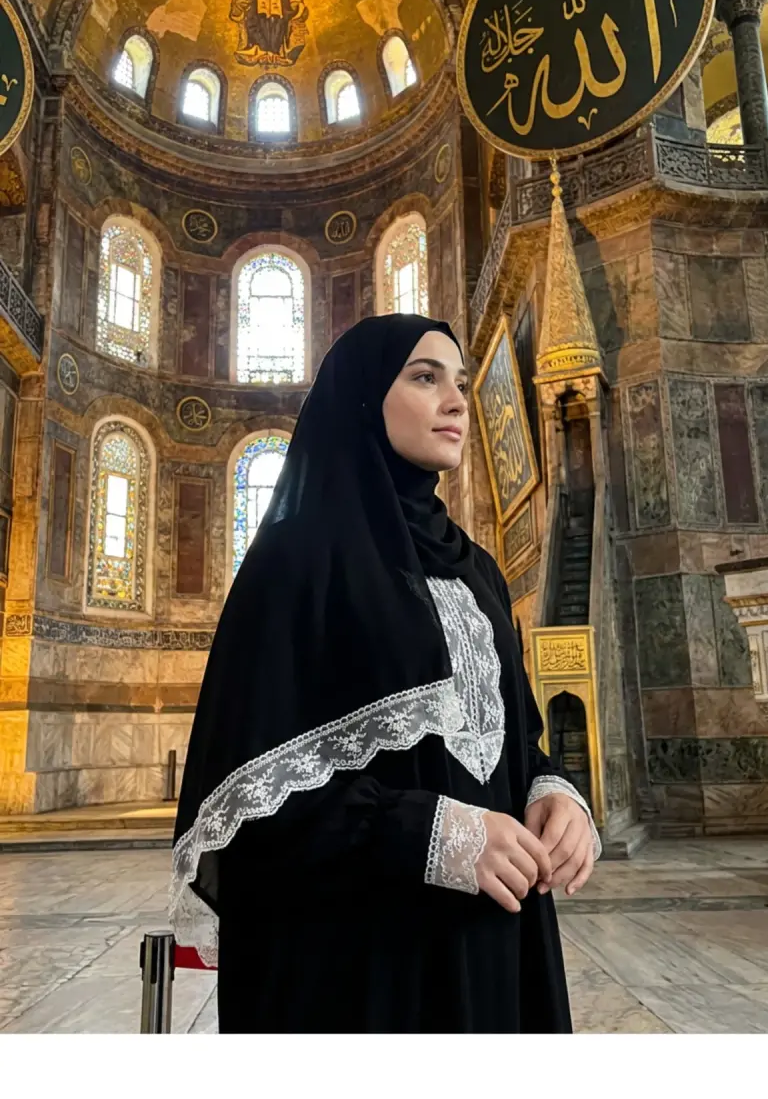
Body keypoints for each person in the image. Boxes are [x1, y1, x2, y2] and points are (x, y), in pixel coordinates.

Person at [169, 313, 601, 1033]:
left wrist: (557, 797)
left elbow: (518, 744)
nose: (456, 401)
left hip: (499, 944)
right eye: (425, 378)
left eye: (460, 381)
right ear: (364, 396)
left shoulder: (479, 571)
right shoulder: (293, 562)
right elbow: (242, 804)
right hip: (365, 965)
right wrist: (426, 832)